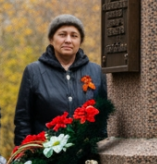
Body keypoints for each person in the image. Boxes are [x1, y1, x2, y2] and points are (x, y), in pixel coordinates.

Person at [12, 15, 107, 145]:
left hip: (88, 153)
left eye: (74, 36)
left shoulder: (96, 71)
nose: (68, 40)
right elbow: (23, 120)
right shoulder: (34, 71)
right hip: (45, 155)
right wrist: (25, 155)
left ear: (80, 41)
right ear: (51, 39)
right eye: (62, 35)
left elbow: (106, 115)